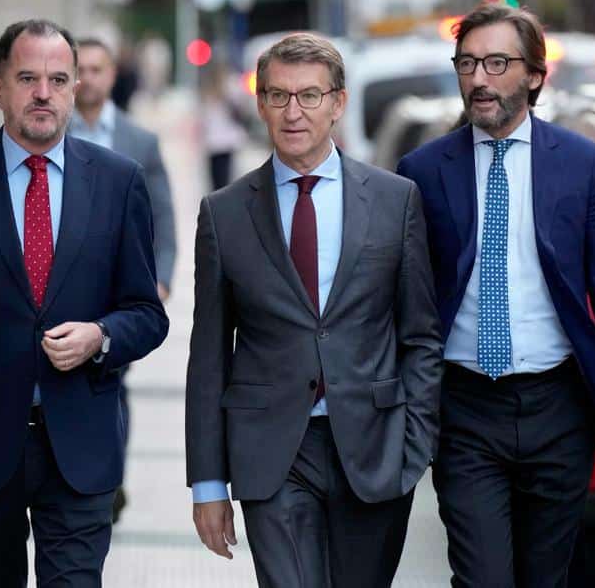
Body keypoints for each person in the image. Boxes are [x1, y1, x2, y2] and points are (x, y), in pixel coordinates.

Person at [396, 1, 595, 588]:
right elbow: (402, 300)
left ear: (536, 75)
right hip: (464, 410)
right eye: (467, 63)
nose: (479, 79)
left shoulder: (584, 166)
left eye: (496, 62)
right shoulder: (422, 169)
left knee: (547, 578)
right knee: (483, 577)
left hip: (558, 409)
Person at [0, 19, 169, 588]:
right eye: (27, 77)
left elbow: (147, 314)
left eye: (58, 79)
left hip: (80, 444)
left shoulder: (117, 180)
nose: (42, 93)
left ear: (76, 88)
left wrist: (100, 337)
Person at [185, 32, 444, 588]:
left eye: (308, 96)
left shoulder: (396, 200)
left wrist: (415, 445)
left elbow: (420, 334)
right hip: (271, 451)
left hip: (374, 450)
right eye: (277, 96)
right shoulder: (224, 213)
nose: (293, 111)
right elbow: (208, 356)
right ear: (259, 105)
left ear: (338, 103)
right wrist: (207, 483)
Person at [68, 36, 177, 522]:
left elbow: (163, 215)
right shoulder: (50, 133)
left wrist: (162, 279)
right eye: (81, 69)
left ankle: (107, 478)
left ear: (112, 75)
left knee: (111, 379)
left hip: (118, 288)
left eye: (97, 69)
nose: (88, 78)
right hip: (66, 285)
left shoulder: (139, 141)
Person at [197, 62, 248, 191]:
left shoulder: (230, 87)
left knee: (224, 179)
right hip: (212, 143)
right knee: (215, 181)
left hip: (226, 142)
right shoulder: (207, 90)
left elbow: (239, 111)